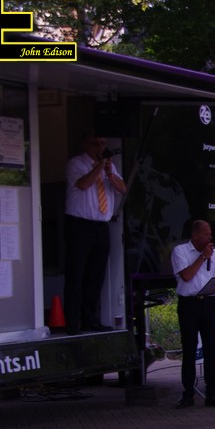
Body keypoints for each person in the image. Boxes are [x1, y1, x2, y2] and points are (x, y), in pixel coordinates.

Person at [63, 132, 126, 335]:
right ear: (85, 144)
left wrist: (110, 174)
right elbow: (83, 184)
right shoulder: (77, 164)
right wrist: (99, 166)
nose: (100, 148)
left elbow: (122, 189)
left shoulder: (109, 167)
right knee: (76, 274)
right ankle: (73, 322)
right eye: (95, 144)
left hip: (101, 225)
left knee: (96, 275)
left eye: (103, 144)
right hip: (80, 225)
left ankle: (91, 320)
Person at [171, 220, 215, 409]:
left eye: (211, 234)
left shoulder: (213, 253)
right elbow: (186, 276)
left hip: (209, 302)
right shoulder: (180, 251)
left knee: (211, 349)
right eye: (206, 234)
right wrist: (203, 257)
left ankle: (213, 394)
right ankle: (188, 394)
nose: (210, 237)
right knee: (189, 348)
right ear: (195, 235)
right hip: (189, 304)